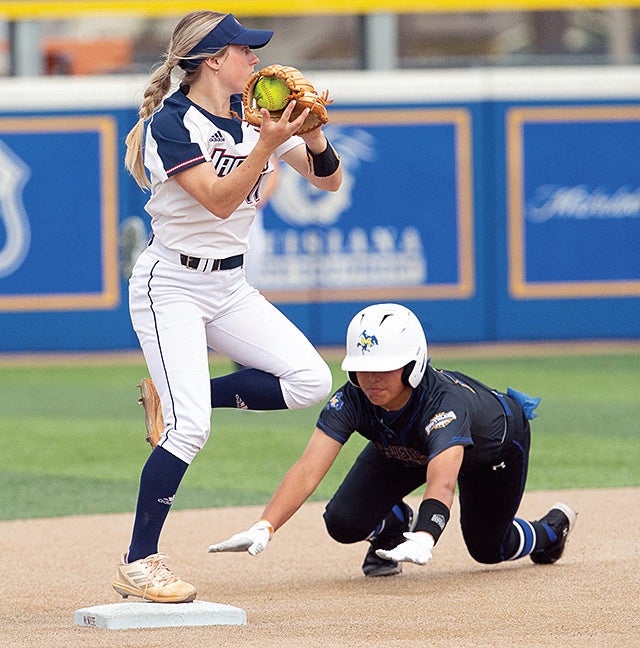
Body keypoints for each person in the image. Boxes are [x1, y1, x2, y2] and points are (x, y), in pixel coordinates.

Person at [112, 10, 342, 604]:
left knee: (310, 378)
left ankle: (176, 392)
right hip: (173, 287)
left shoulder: (255, 114)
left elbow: (328, 181)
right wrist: (267, 142)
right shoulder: (173, 122)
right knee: (191, 430)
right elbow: (216, 202)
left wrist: (312, 135)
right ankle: (139, 563)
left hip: (230, 287)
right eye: (245, 51)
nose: (256, 61)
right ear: (213, 60)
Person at [208, 303, 577, 578]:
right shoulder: (355, 396)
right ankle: (394, 525)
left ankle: (549, 530)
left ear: (412, 364)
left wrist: (426, 535)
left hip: (492, 451)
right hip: (408, 448)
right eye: (362, 368)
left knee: (488, 549)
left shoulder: (444, 403)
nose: (371, 379)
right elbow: (307, 469)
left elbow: (444, 481)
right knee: (343, 522)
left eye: (384, 367)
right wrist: (265, 525)